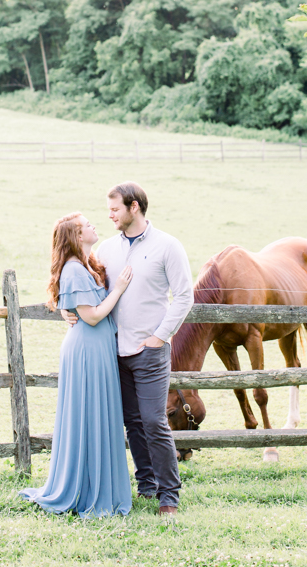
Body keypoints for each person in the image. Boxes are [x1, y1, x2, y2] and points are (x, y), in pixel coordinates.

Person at [62, 182, 194, 518]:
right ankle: (147, 484)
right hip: (113, 353)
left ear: (134, 207)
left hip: (149, 350)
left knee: (153, 421)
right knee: (132, 422)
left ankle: (169, 496)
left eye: (115, 209)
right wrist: (67, 309)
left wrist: (161, 336)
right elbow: (82, 284)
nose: (110, 215)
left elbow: (184, 296)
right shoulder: (105, 250)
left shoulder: (167, 246)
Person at [19, 212, 133, 518]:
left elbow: (75, 305)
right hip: (87, 350)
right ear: (77, 236)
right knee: (88, 415)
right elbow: (93, 315)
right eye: (87, 226)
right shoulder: (73, 269)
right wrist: (118, 289)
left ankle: (95, 482)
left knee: (99, 414)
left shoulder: (87, 264)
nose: (94, 226)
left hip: (98, 347)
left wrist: (65, 309)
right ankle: (84, 488)